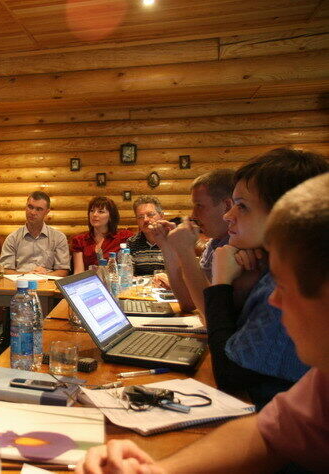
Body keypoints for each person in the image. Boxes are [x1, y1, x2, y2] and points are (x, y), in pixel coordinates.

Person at [75, 172, 329, 474]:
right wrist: (158, 470)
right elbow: (268, 433)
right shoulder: (321, 383)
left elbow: (230, 371)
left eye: (285, 287)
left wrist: (220, 285)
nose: (274, 300)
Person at [205, 148, 327, 407]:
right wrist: (240, 289)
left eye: (242, 206)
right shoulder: (269, 269)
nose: (228, 215)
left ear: (286, 215)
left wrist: (221, 283)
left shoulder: (296, 283)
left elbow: (230, 374)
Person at [148, 170, 234, 315]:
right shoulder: (214, 243)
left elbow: (212, 314)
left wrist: (185, 250)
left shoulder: (240, 247)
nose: (193, 215)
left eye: (199, 205)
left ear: (226, 206)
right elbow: (188, 303)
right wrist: (167, 247)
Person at [0, 191, 70, 276]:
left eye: (39, 209)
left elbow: (63, 271)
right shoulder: (12, 238)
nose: (33, 212)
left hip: (47, 281)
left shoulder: (58, 238)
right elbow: (5, 270)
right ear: (25, 207)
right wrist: (28, 275)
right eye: (30, 207)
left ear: (47, 212)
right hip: (20, 282)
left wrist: (43, 276)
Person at [70, 197, 134, 274]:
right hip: (90, 280)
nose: (94, 214)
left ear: (111, 216)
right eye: (92, 211)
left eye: (100, 211)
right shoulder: (79, 240)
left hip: (116, 279)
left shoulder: (124, 236)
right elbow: (78, 272)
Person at [126, 196, 165, 276]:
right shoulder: (132, 242)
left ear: (161, 216)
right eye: (140, 217)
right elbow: (128, 274)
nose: (145, 220)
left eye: (150, 215)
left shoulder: (172, 240)